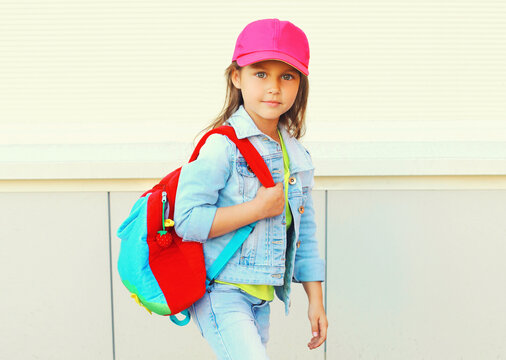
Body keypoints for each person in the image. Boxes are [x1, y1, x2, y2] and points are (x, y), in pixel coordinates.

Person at [174, 18, 327, 360]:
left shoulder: (296, 154)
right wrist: (256, 209)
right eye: (260, 73)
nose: (274, 87)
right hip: (221, 291)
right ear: (236, 76)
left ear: (299, 84)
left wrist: (315, 301)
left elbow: (306, 234)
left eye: (286, 76)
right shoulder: (221, 146)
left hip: (261, 298)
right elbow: (186, 220)